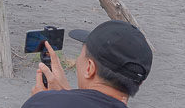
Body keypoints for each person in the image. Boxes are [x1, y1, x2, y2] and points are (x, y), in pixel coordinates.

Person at [23, 20, 152, 108]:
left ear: (90, 68)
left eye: (81, 55)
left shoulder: (42, 103)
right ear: (140, 82)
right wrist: (67, 95)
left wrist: (47, 99)